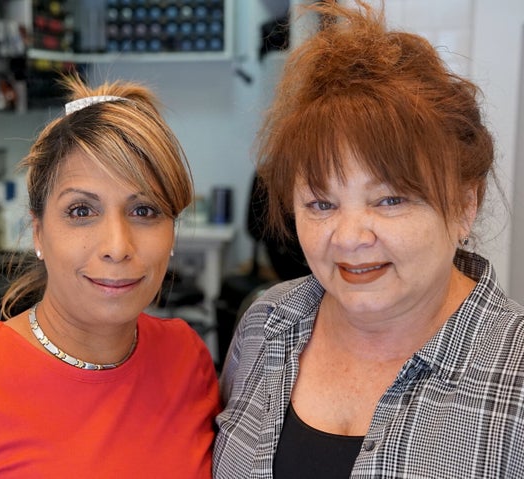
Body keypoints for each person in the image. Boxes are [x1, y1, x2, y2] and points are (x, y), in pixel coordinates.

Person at [213, 1, 524, 478]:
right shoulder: (266, 325)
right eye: (322, 204)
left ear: (465, 204)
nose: (350, 238)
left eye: (390, 200)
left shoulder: (514, 370)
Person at [0, 75, 220, 478]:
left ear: (172, 231)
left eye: (144, 211)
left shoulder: (187, 359)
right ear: (38, 231)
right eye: (81, 211)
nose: (117, 246)